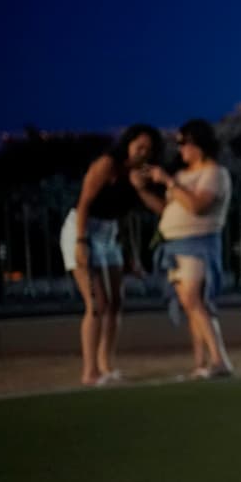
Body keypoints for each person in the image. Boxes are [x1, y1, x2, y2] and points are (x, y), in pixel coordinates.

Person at [60, 123, 163, 385]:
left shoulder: (139, 175)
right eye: (139, 146)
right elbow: (84, 203)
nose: (143, 152)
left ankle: (107, 366)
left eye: (149, 149)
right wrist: (81, 243)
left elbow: (137, 213)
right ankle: (90, 371)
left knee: (116, 302)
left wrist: (131, 255)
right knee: (97, 304)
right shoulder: (107, 164)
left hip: (110, 233)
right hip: (83, 228)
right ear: (127, 144)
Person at [136, 119, 234, 379]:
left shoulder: (214, 173)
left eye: (184, 143)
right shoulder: (181, 175)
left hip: (197, 244)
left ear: (198, 144)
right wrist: (143, 190)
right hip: (175, 245)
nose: (180, 149)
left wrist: (168, 181)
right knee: (191, 305)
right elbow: (167, 209)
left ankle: (219, 360)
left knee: (194, 300)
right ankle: (202, 363)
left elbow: (197, 206)